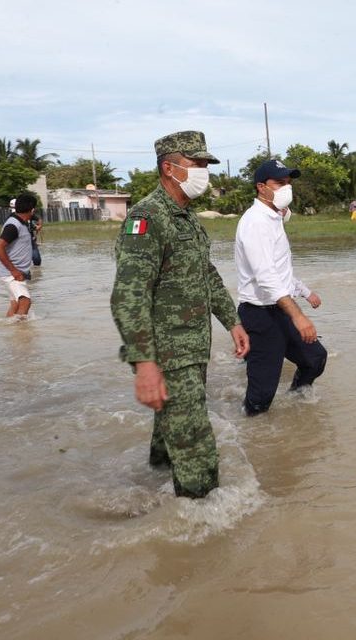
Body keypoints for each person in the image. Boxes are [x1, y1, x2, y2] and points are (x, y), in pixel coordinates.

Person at [110, 130, 249, 499]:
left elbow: (206, 274)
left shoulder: (186, 218)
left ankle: (152, 485)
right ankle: (203, 520)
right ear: (168, 168)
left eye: (205, 164)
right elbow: (128, 295)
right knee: (194, 440)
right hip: (168, 352)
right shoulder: (147, 217)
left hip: (191, 347)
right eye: (197, 164)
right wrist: (144, 363)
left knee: (171, 428)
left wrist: (232, 320)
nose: (204, 171)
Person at [234, 159, 328, 416]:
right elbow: (265, 277)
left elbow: (280, 270)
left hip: (280, 307)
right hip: (260, 313)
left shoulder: (273, 216)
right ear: (261, 187)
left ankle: (297, 401)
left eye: (288, 183)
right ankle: (251, 435)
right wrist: (298, 316)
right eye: (279, 183)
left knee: (315, 358)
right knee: (262, 395)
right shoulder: (256, 222)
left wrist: (305, 291)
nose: (287, 188)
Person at [0, 194, 37, 319]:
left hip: (14, 272)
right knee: (25, 301)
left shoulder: (20, 222)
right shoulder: (13, 225)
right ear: (32, 209)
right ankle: (21, 334)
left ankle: (9, 328)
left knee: (15, 303)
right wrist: (14, 270)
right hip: (11, 273)